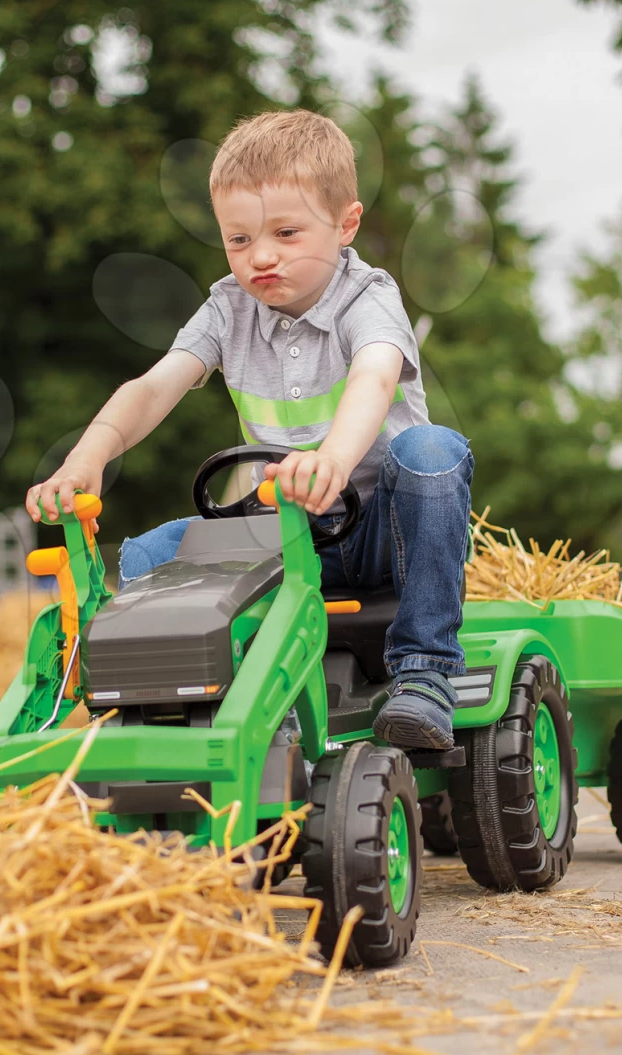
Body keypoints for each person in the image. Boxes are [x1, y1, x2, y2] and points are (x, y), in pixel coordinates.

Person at [25, 109, 473, 751]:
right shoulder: (227, 310)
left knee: (433, 451)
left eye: (286, 233)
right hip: (285, 532)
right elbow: (153, 388)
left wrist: (331, 461)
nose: (261, 256)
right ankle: (172, 702)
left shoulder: (367, 297)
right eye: (239, 240)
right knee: (150, 554)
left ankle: (425, 674)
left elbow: (375, 377)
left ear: (345, 224)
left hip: (384, 529)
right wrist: (85, 459)